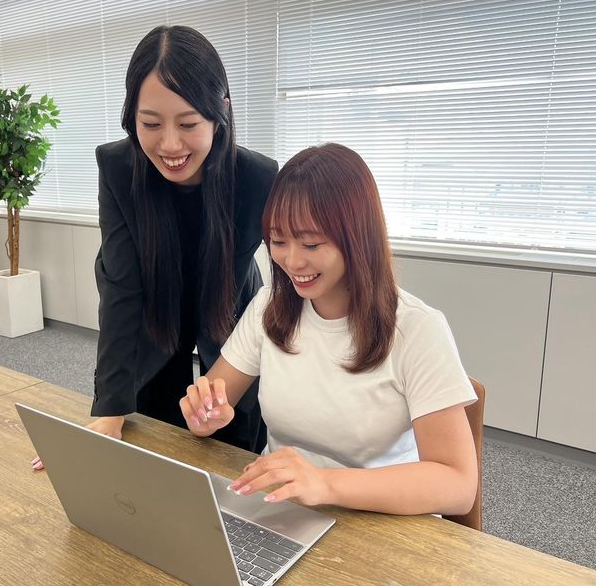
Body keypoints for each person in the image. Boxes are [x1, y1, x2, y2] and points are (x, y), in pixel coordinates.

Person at [178, 143, 478, 515]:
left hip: (384, 518)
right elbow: (213, 400)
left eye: (311, 243)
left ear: (358, 238)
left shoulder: (417, 329)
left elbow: (457, 484)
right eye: (278, 241)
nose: (292, 261)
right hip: (285, 508)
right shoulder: (270, 307)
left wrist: (323, 483)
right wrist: (204, 415)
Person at [31, 26, 278, 471]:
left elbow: (282, 281)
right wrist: (109, 410)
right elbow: (120, 288)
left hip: (227, 310)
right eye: (150, 124)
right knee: (149, 442)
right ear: (132, 117)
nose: (169, 145)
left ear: (220, 112)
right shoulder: (118, 167)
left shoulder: (256, 176)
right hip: (152, 313)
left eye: (188, 124)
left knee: (230, 449)